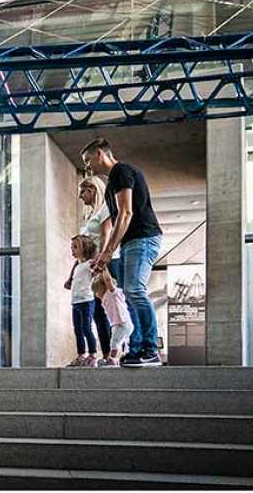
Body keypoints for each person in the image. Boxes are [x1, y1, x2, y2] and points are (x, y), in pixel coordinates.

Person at [81, 138, 163, 367]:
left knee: (135, 290)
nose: (88, 167)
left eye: (88, 161)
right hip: (130, 241)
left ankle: (150, 348)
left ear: (100, 154)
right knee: (128, 294)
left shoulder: (122, 171)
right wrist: (103, 254)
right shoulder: (111, 182)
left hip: (143, 237)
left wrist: (108, 251)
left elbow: (126, 213)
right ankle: (136, 348)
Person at [64, 176, 113, 365]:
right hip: (88, 266)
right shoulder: (90, 215)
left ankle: (107, 354)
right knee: (95, 318)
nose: (80, 196)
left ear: (92, 190)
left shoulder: (105, 209)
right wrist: (71, 275)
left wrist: (99, 263)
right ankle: (97, 354)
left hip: (100, 265)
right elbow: (80, 256)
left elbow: (105, 235)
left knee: (101, 315)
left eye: (82, 192)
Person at [91, 268, 134, 367]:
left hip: (123, 323)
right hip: (117, 324)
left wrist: (104, 268)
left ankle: (112, 359)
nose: (97, 295)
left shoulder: (113, 293)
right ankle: (120, 358)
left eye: (97, 291)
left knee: (115, 342)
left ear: (104, 287)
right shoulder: (104, 298)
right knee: (118, 342)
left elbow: (108, 280)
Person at [67, 235, 98, 367]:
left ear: (85, 248)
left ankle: (92, 355)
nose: (72, 250)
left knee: (86, 328)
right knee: (77, 330)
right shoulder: (78, 266)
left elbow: (98, 271)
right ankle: (81, 355)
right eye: (71, 247)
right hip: (75, 302)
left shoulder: (90, 264)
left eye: (75, 247)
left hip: (86, 301)